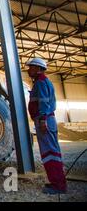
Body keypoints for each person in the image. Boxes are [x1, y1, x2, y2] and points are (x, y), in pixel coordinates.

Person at [26, 57, 67, 194]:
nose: (28, 69)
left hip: (44, 120)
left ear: (38, 69)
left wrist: (43, 120)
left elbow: (43, 102)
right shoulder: (41, 81)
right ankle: (57, 182)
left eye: (31, 67)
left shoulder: (41, 82)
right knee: (51, 152)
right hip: (46, 119)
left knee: (50, 153)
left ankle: (58, 186)